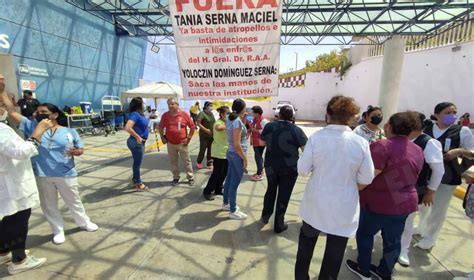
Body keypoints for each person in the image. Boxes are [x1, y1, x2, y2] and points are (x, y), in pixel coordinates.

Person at [1, 92, 98, 245]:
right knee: (49, 205)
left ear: (54, 115)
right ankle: (58, 230)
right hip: (42, 174)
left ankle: (83, 222)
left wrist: (76, 152)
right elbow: (12, 111)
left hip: (66, 173)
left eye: (43, 112)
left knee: (74, 201)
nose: (38, 114)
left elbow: (80, 149)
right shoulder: (32, 126)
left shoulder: (69, 131)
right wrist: (2, 91)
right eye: (37, 112)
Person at [295, 96, 374, 280]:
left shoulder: (316, 138)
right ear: (352, 117)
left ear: (327, 114)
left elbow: (303, 169)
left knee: (306, 246)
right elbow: (366, 178)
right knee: (334, 253)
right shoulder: (361, 143)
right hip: (344, 208)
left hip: (315, 204)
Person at [346, 111, 424, 280]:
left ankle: (364, 268)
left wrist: (353, 190)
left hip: (378, 202)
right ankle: (385, 272)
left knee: (365, 234)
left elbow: (369, 176)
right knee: (393, 241)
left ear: (388, 126)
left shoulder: (382, 146)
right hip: (404, 203)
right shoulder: (417, 149)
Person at [0, 81, 50, 275]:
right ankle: (19, 260)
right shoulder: (2, 130)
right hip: (14, 183)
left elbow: (11, 110)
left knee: (11, 218)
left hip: (9, 181)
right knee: (19, 220)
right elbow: (21, 151)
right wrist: (37, 134)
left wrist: (3, 92)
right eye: (2, 105)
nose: (5, 107)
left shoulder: (4, 126)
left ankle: (3, 250)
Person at [414, 102, 474, 250]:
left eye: (454, 112)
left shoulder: (462, 131)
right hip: (426, 173)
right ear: (436, 114)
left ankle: (430, 237)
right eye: (448, 112)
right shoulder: (427, 128)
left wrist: (459, 150)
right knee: (423, 204)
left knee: (439, 208)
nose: (452, 116)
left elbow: (472, 151)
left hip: (449, 175)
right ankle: (421, 227)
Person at [398, 113, 445, 267]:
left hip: (413, 189)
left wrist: (430, 191)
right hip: (395, 187)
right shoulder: (402, 139)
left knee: (408, 221)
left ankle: (403, 249)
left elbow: (438, 170)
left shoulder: (428, 143)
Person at [261, 105, 307, 234]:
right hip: (289, 168)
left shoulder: (269, 126)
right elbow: (305, 149)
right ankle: (278, 224)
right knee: (283, 195)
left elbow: (262, 142)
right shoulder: (297, 130)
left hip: (270, 165)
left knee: (270, 189)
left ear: (279, 114)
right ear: (292, 116)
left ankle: (265, 216)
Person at [159, 98, 196, 186]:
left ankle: (190, 177)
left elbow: (192, 127)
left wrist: (189, 138)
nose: (170, 106)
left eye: (172, 104)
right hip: (170, 143)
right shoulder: (165, 115)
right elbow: (160, 127)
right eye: (168, 104)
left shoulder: (184, 115)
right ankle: (176, 177)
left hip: (182, 143)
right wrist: (162, 137)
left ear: (177, 105)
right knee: (173, 161)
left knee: (187, 161)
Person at [222, 99, 249, 220]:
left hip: (231, 153)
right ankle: (233, 210)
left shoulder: (230, 119)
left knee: (229, 180)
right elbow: (237, 144)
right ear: (242, 109)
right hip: (237, 155)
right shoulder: (236, 121)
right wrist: (245, 158)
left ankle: (226, 203)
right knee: (234, 183)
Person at [202, 106, 230, 201]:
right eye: (227, 113)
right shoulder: (218, 123)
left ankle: (218, 189)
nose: (229, 115)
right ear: (222, 114)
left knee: (224, 173)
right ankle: (207, 191)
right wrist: (229, 124)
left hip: (226, 152)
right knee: (217, 173)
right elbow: (218, 128)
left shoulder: (226, 122)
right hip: (219, 152)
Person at [125, 97, 149, 191]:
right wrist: (137, 137)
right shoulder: (135, 114)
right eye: (143, 103)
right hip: (136, 142)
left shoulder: (140, 114)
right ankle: (138, 183)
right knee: (137, 164)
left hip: (138, 142)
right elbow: (127, 127)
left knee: (137, 162)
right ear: (139, 104)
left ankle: (135, 180)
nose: (144, 105)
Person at [249, 106, 268, 181]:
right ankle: (259, 171)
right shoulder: (254, 119)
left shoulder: (263, 121)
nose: (252, 113)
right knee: (258, 156)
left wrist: (255, 130)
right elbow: (251, 128)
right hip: (255, 141)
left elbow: (265, 131)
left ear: (257, 113)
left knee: (258, 156)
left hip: (260, 142)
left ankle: (260, 173)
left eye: (253, 112)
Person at [196, 101, 215, 169]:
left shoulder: (211, 114)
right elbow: (198, 123)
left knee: (210, 149)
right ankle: (199, 161)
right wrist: (206, 130)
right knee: (203, 149)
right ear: (206, 106)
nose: (211, 107)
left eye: (212, 106)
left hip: (211, 135)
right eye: (210, 105)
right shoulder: (202, 113)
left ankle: (209, 163)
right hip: (204, 135)